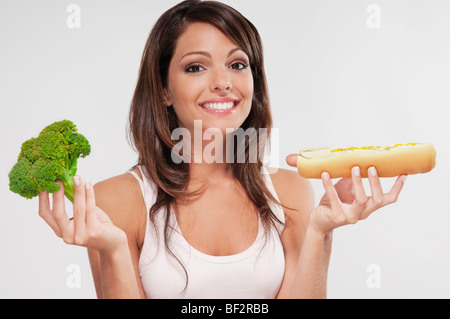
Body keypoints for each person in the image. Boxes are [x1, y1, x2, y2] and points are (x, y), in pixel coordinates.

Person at [37, 0, 406, 299]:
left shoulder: (291, 191)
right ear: (164, 90)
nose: (222, 83)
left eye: (237, 64)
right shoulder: (117, 199)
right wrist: (114, 250)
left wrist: (320, 231)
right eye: (196, 67)